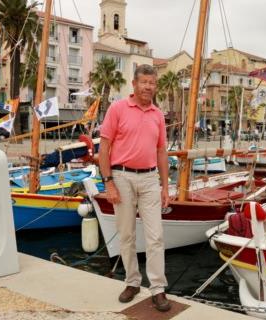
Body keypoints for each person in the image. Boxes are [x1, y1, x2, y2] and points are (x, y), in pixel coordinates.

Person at [98, 64, 171, 312]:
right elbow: (104, 148)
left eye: (152, 83)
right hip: (122, 177)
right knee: (127, 234)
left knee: (155, 237)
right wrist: (108, 182)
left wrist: (165, 186)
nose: (148, 87)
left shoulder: (158, 115)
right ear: (134, 83)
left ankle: (158, 288)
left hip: (151, 178)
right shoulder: (118, 109)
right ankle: (132, 282)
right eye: (144, 82)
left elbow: (161, 151)